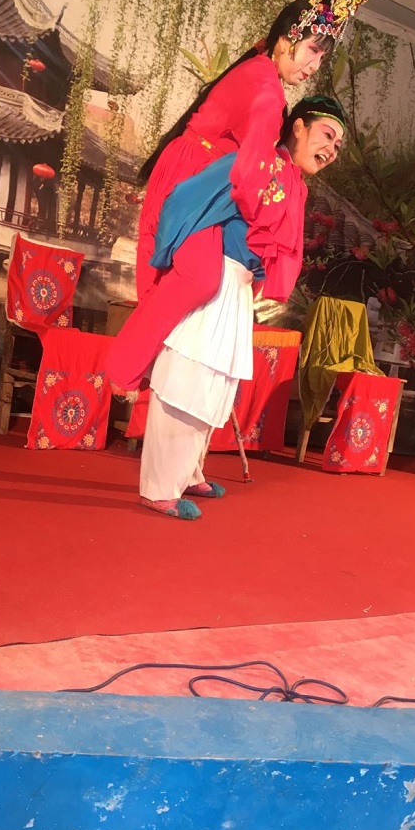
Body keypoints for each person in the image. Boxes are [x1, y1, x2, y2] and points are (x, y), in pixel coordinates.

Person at [106, 0, 376, 395]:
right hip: (199, 181)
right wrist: (260, 221)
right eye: (313, 51)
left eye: (321, 58)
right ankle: (122, 369)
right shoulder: (267, 92)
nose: (313, 66)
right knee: (198, 277)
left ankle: (140, 373)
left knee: (194, 281)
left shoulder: (262, 73)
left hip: (205, 178)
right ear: (288, 39)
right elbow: (250, 174)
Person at [137, 96, 348, 519]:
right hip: (213, 277)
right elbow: (186, 197)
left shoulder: (294, 181)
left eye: (338, 146)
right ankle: (158, 487)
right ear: (299, 126)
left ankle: (188, 471)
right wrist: (184, 256)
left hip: (238, 285)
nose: (331, 150)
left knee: (216, 383)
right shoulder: (256, 161)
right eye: (327, 135)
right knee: (188, 378)